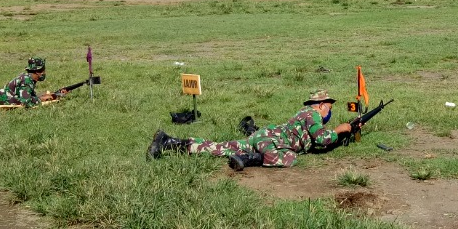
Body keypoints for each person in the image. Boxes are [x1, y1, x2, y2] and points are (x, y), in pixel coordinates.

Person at [148, 90, 353, 169]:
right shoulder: (313, 115)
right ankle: (250, 159)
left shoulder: (303, 113)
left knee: (221, 147)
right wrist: (340, 129)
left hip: (263, 136)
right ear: (321, 105)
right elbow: (323, 139)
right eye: (329, 108)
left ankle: (169, 142)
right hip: (270, 143)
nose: (329, 112)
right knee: (289, 158)